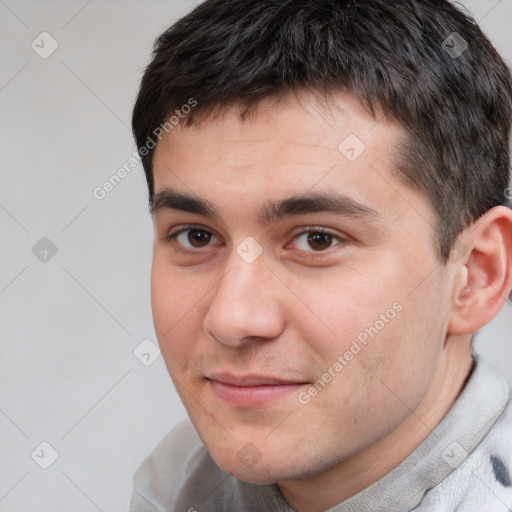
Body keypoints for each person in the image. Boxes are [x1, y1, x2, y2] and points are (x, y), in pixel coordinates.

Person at [129, 0, 512, 510]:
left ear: (476, 274)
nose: (231, 318)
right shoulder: (175, 480)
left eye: (317, 239)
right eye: (197, 236)